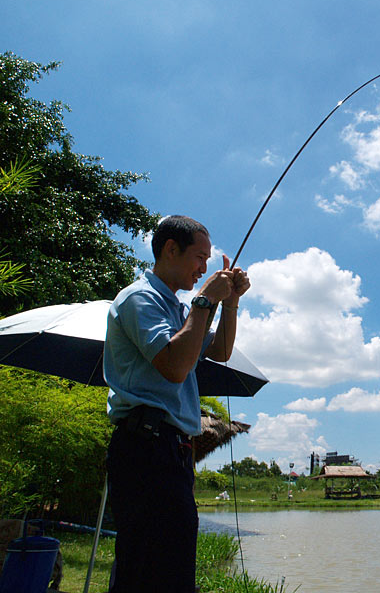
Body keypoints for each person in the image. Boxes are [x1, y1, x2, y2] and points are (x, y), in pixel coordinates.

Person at [103, 215, 250, 592]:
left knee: (167, 565)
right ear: (171, 249)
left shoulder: (178, 310)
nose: (204, 267)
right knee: (151, 566)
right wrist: (204, 299)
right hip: (146, 447)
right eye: (199, 257)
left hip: (171, 451)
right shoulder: (140, 299)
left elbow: (220, 351)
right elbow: (175, 366)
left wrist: (229, 302)